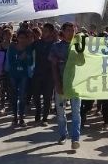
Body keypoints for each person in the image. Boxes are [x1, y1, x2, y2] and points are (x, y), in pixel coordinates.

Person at [49, 22, 82, 150]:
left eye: (72, 30)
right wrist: (57, 83)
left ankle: (75, 139)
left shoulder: (79, 46)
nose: (70, 32)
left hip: (76, 85)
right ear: (63, 31)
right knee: (61, 112)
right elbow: (54, 66)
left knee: (76, 113)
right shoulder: (56, 47)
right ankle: (63, 135)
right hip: (61, 84)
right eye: (68, 30)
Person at [5, 29, 35, 127]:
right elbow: (9, 61)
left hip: (24, 75)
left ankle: (21, 117)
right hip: (13, 74)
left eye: (24, 38)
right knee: (13, 96)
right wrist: (19, 58)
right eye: (20, 37)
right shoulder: (12, 47)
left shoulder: (29, 48)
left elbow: (31, 63)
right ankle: (14, 117)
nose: (22, 40)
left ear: (27, 39)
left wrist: (27, 58)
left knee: (22, 96)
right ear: (17, 38)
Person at [31, 23, 56, 127]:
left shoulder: (55, 45)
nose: (43, 32)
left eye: (46, 31)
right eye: (43, 30)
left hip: (49, 75)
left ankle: (45, 118)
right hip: (37, 73)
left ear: (51, 33)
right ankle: (38, 111)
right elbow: (27, 48)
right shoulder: (37, 43)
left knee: (47, 97)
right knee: (36, 96)